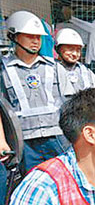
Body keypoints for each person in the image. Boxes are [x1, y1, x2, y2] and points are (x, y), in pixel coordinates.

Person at [0, 10, 70, 175]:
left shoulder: (55, 68)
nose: (35, 41)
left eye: (38, 37)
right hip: (24, 143)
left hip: (57, 139)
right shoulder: (3, 71)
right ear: (14, 37)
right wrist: (2, 141)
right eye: (30, 36)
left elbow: (70, 105)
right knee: (31, 187)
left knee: (64, 183)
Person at [55, 28, 95, 98]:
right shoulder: (51, 70)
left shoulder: (87, 73)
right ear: (57, 49)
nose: (74, 54)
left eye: (78, 50)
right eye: (70, 49)